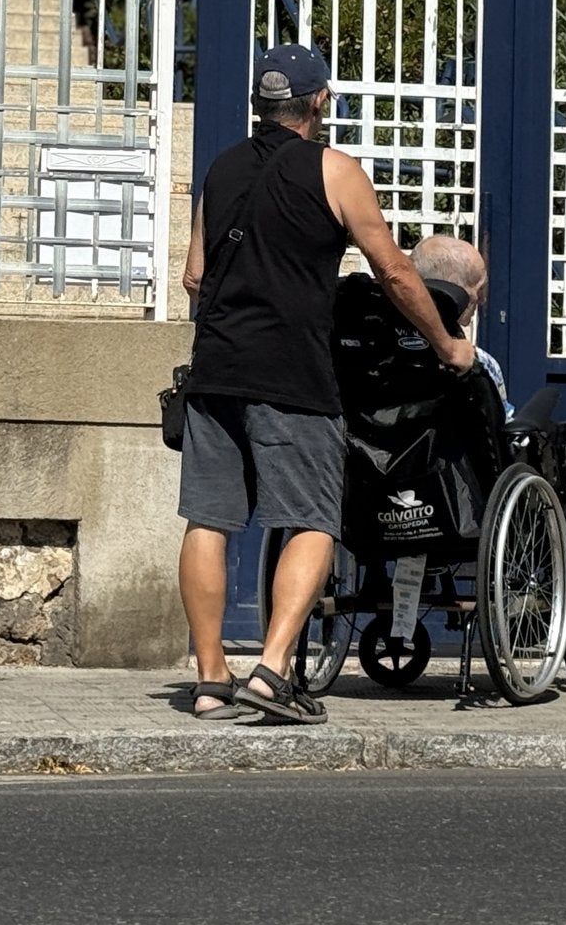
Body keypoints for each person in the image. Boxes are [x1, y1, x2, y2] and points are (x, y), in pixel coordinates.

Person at [178, 45, 475, 724]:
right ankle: (270, 671)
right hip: (293, 373)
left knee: (208, 521)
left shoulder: (220, 170)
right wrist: (446, 342)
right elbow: (395, 271)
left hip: (216, 367)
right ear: (319, 102)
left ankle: (208, 680)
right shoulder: (335, 170)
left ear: (260, 103)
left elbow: (195, 276)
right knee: (312, 518)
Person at [410, 234, 513, 419]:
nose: (482, 299)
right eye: (479, 288)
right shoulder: (480, 362)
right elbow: (503, 425)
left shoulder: (374, 348)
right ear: (456, 292)